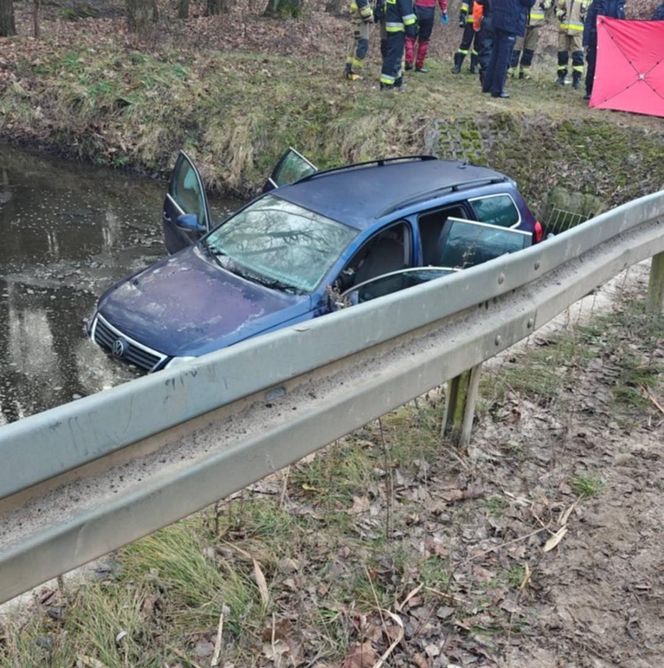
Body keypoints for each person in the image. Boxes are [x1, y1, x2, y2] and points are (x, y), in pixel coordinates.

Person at [482, 0, 535, 98]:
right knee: (504, 58)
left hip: (497, 18)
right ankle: (497, 90)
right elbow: (529, 2)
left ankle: (488, 85)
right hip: (510, 20)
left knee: (495, 53)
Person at [582, 0, 625, 100]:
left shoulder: (621, 4)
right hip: (595, 38)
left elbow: (623, 23)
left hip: (612, 40)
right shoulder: (596, 3)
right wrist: (586, 42)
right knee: (593, 64)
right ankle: (590, 91)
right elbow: (588, 21)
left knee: (610, 66)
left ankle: (607, 91)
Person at [508, 0, 553, 79]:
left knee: (530, 48)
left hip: (537, 23)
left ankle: (525, 70)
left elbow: (549, 3)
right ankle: (511, 68)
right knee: (516, 46)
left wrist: (546, 4)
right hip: (521, 20)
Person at [380, 0, 417, 89]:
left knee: (395, 55)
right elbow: (407, 15)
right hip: (398, 28)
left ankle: (396, 80)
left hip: (391, 26)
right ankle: (386, 83)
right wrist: (412, 30)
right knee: (393, 57)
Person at [555, 0, 590, 89]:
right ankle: (561, 77)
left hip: (579, 31)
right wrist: (560, 14)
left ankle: (576, 79)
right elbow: (557, 7)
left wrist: (585, 18)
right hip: (564, 29)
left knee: (578, 55)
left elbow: (590, 11)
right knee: (562, 54)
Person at [405, 0, 448, 73]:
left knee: (410, 37)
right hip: (429, 12)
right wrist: (444, 10)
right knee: (424, 40)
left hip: (417, 9)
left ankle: (408, 61)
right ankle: (419, 65)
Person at [344, 0, 375, 81]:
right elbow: (366, 13)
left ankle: (348, 70)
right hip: (361, 24)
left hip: (357, 22)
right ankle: (354, 72)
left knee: (354, 47)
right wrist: (373, 17)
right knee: (362, 46)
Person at [453, 1, 482, 74]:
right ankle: (457, 65)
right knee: (465, 44)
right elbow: (465, 4)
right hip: (470, 22)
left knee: (478, 46)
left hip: (482, 23)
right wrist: (462, 15)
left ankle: (474, 66)